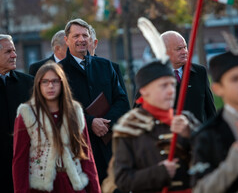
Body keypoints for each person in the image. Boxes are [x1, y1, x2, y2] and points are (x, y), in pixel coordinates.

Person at [59, 18, 130, 183]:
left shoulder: (105, 65)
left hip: (110, 147)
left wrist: (105, 124)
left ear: (90, 39)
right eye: (76, 36)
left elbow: (122, 100)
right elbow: (60, 109)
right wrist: (90, 122)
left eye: (85, 35)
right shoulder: (58, 71)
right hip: (79, 150)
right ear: (66, 40)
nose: (81, 40)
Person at [112, 60, 200, 193]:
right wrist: (158, 173)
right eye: (164, 85)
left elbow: (212, 159)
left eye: (172, 85)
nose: (171, 91)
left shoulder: (186, 119)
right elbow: (123, 180)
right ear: (144, 91)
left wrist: (190, 133)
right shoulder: (129, 127)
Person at [13, 62, 101, 193]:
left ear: (62, 83)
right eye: (45, 82)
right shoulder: (27, 114)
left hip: (73, 185)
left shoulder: (75, 112)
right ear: (38, 84)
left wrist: (95, 190)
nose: (50, 86)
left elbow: (86, 156)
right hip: (41, 187)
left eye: (55, 81)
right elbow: (20, 162)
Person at [191, 51, 238, 193]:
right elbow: (201, 189)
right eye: (235, 79)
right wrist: (234, 161)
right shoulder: (208, 134)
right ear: (217, 89)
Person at [0, 34, 34, 192]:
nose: (14, 55)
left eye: (14, 50)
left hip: (27, 165)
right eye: (8, 52)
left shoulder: (29, 83)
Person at [160, 31, 216, 123]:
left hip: (198, 135)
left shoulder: (200, 72)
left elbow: (210, 109)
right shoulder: (153, 77)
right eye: (178, 49)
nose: (184, 52)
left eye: (185, 47)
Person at [88, 24, 128, 94]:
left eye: (88, 41)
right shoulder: (67, 71)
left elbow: (123, 101)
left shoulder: (113, 68)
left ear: (95, 43)